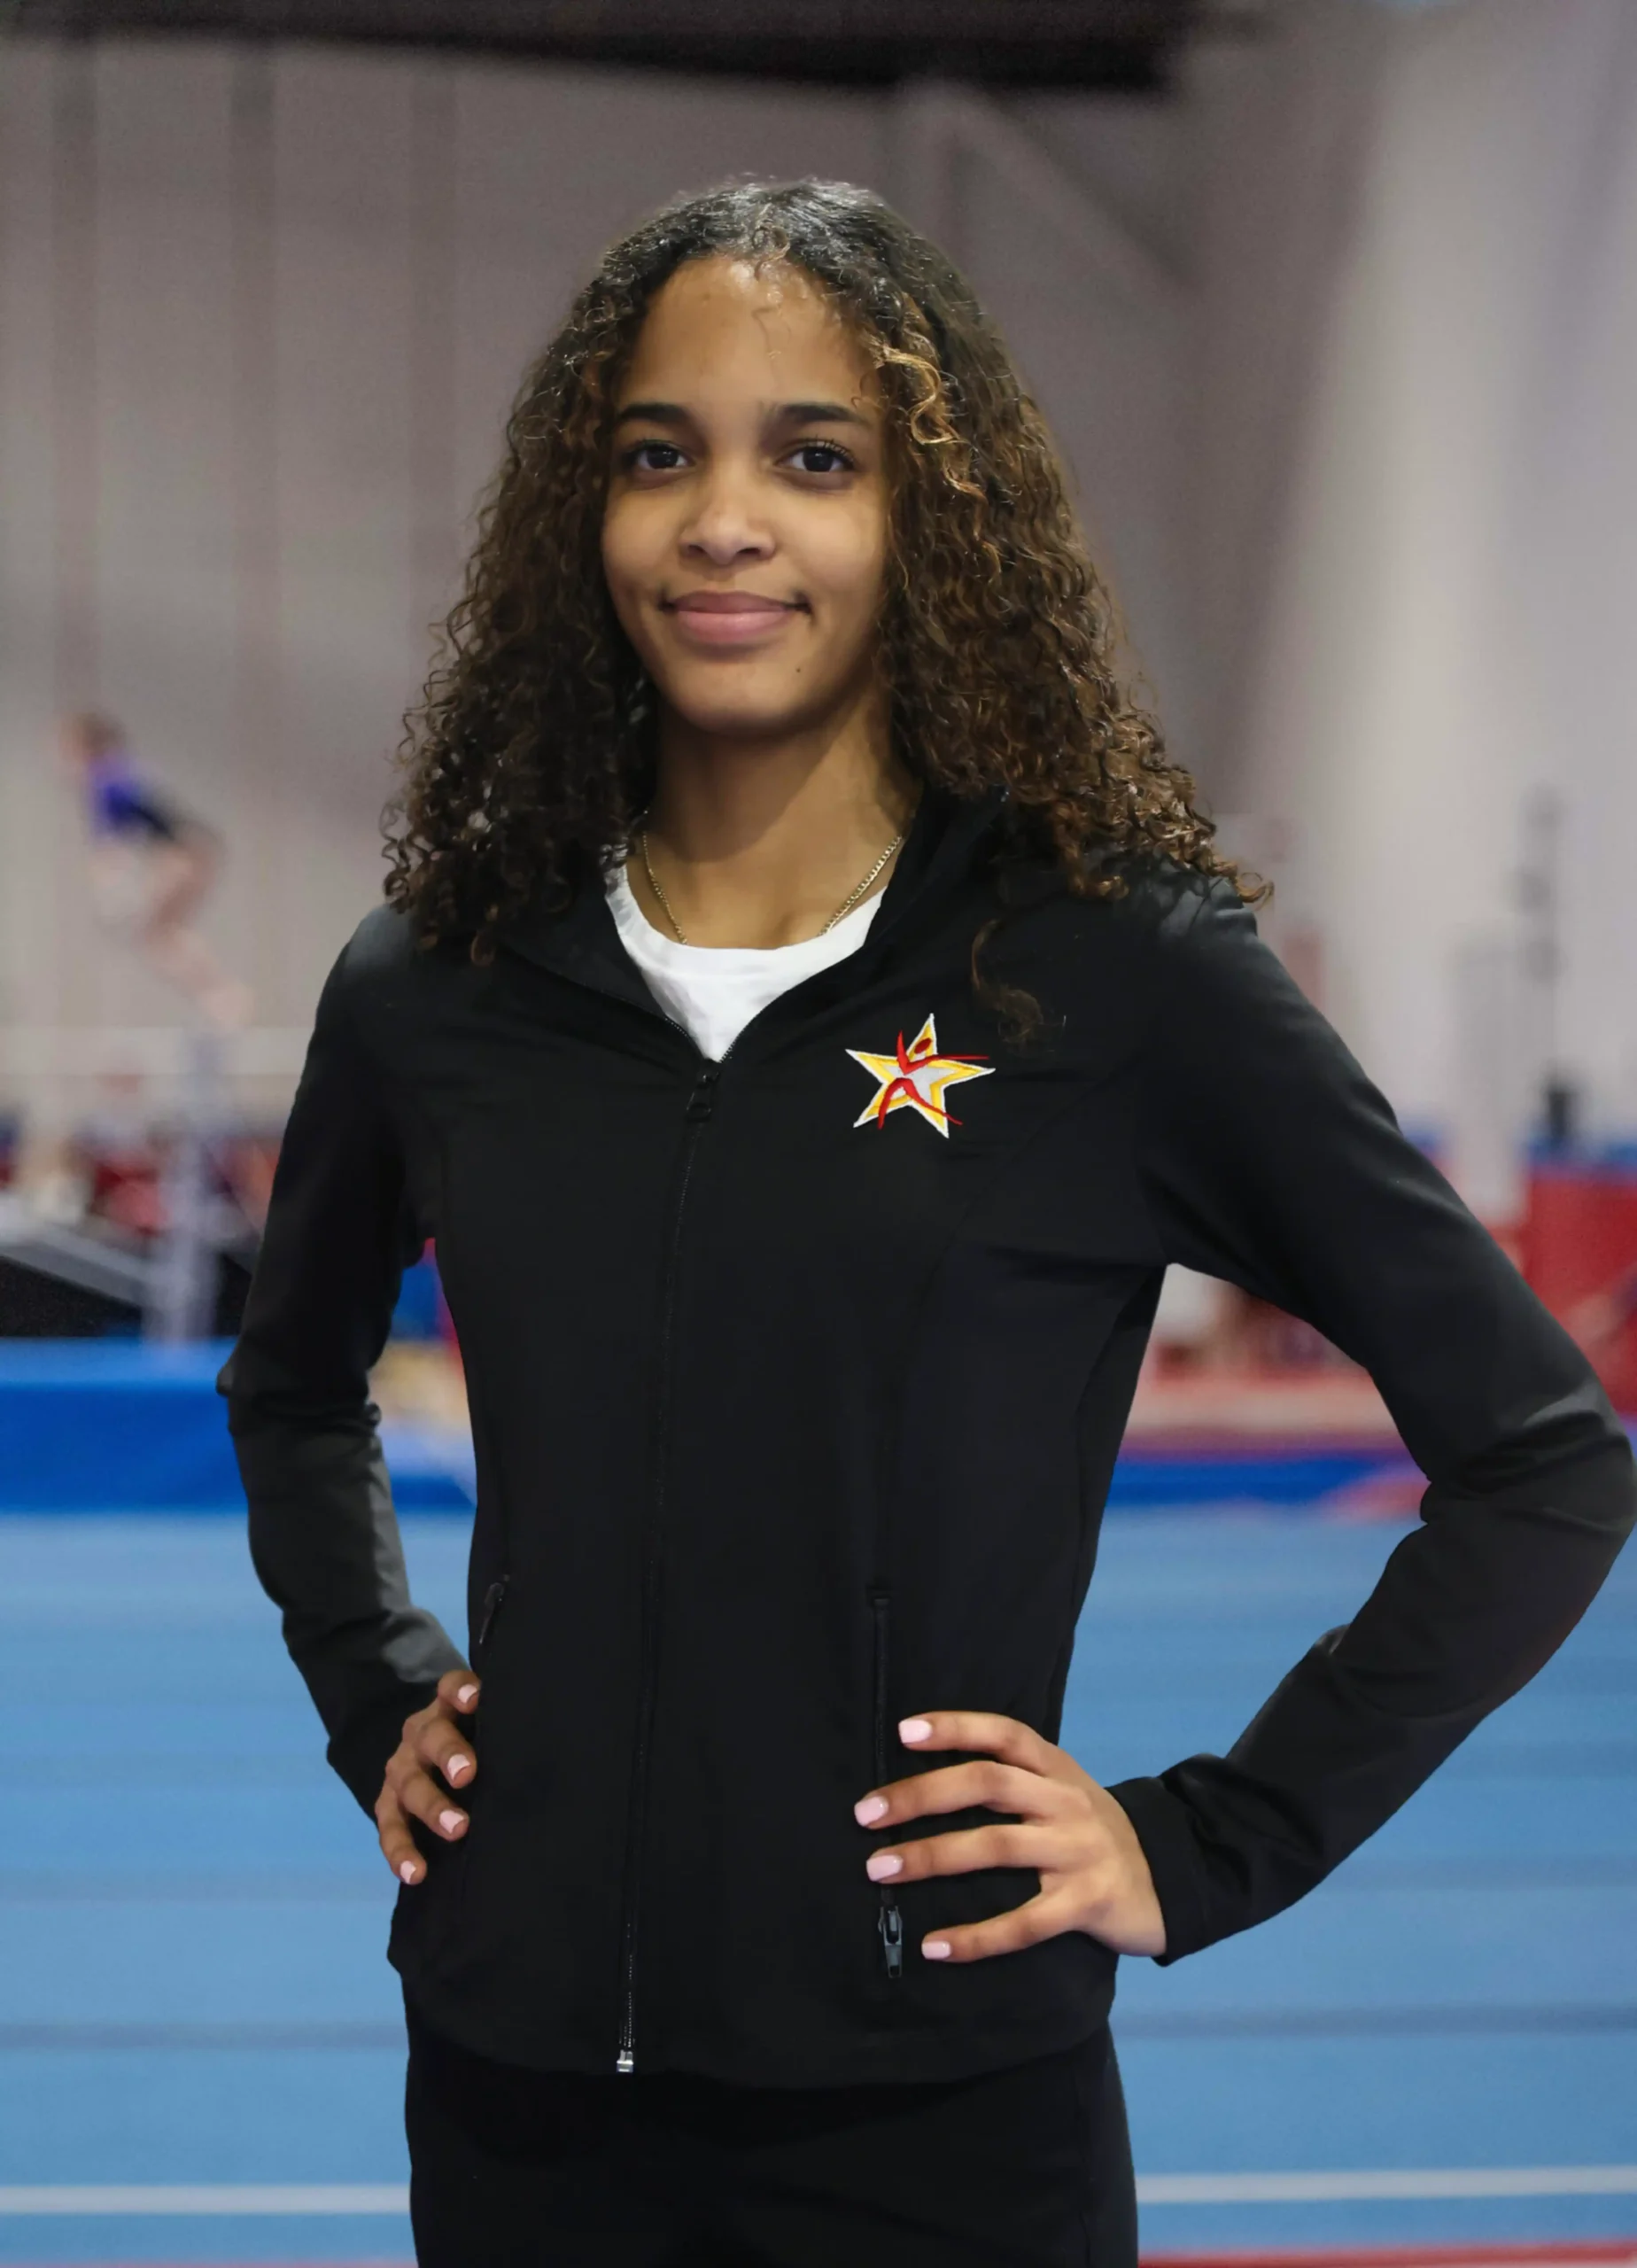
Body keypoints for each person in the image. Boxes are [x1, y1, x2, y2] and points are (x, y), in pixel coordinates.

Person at [221, 181, 1635, 2267]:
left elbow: (1542, 1460)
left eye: (814, 455)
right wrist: (375, 1689)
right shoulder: (436, 982)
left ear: (932, 517)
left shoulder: (1107, 973)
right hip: (519, 2097)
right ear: (578, 515)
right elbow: (291, 1383)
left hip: (945, 2114)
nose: (724, 519)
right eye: (656, 451)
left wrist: (1207, 1839)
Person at [61, 710, 252, 1031]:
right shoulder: (120, 771)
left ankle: (225, 996)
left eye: (66, 752)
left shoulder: (103, 780)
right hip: (189, 846)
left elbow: (108, 850)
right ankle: (222, 996)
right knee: (161, 935)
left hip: (183, 851)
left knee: (157, 935)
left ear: (82, 748)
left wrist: (109, 897)